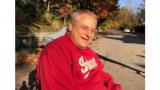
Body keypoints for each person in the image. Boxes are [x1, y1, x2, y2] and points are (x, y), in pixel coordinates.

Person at [36, 10, 121, 90]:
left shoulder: (89, 52)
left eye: (92, 30)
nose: (88, 34)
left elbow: (101, 74)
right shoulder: (55, 51)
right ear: (70, 27)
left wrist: (114, 87)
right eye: (84, 28)